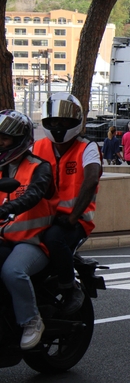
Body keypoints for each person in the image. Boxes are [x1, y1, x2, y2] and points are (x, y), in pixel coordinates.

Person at [33, 93, 102, 315]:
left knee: (54, 239)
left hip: (76, 220)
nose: (58, 125)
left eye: (63, 121)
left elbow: (91, 180)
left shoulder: (87, 147)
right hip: (42, 216)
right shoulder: (38, 147)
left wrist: (73, 217)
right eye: (53, 121)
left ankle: (70, 287)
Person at [0, 110, 56, 350]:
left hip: (32, 240)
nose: (0, 142)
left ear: (19, 140)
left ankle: (31, 320)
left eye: (5, 138)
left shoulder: (39, 167)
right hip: (5, 236)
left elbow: (34, 194)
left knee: (13, 271)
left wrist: (8, 208)